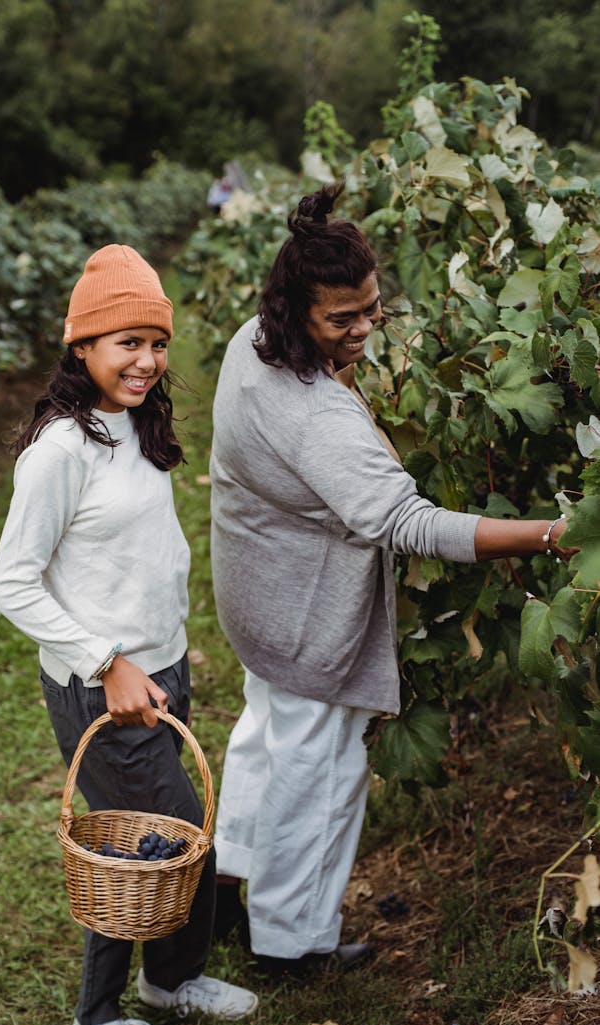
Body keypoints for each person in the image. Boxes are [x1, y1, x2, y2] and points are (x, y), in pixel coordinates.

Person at [208, 181, 575, 981]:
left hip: (253, 595)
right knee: (321, 775)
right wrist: (553, 533)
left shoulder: (249, 345)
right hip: (306, 617)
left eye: (373, 308)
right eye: (344, 319)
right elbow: (412, 524)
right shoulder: (313, 418)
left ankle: (222, 886)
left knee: (267, 742)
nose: (366, 328)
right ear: (294, 312)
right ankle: (287, 945)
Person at [0, 244, 257, 1025]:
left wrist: (164, 653)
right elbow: (11, 582)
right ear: (82, 349)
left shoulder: (136, 426)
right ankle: (98, 1013)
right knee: (145, 846)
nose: (146, 361)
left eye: (156, 342)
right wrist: (107, 660)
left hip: (158, 674)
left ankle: (169, 981)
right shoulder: (59, 452)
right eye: (125, 343)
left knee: (166, 836)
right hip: (104, 688)